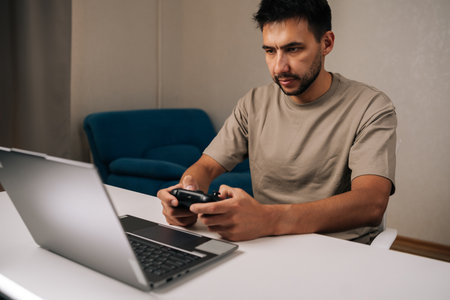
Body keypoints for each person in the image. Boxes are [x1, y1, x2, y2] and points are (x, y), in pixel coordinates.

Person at [157, 0, 396, 244]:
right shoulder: (253, 103)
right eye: (270, 51)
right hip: (264, 243)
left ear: (326, 43)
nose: (279, 67)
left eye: (293, 49)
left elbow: (371, 203)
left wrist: (268, 219)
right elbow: (206, 167)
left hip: (338, 249)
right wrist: (187, 193)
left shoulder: (371, 106)